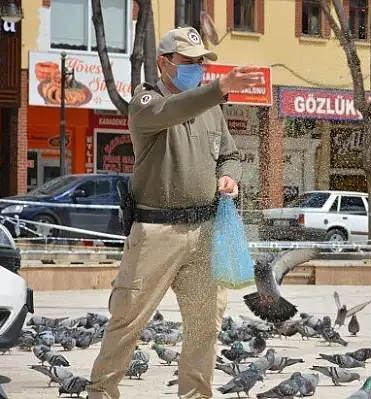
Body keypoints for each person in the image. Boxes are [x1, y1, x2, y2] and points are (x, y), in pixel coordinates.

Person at [86, 27, 262, 399]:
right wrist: (218, 88)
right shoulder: (146, 102)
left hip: (204, 231)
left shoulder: (212, 108)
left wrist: (229, 175)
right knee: (128, 320)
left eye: (201, 62)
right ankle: (101, 393)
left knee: (205, 325)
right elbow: (175, 109)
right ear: (165, 63)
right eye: (189, 61)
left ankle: (196, 395)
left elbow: (229, 154)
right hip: (156, 232)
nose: (197, 67)